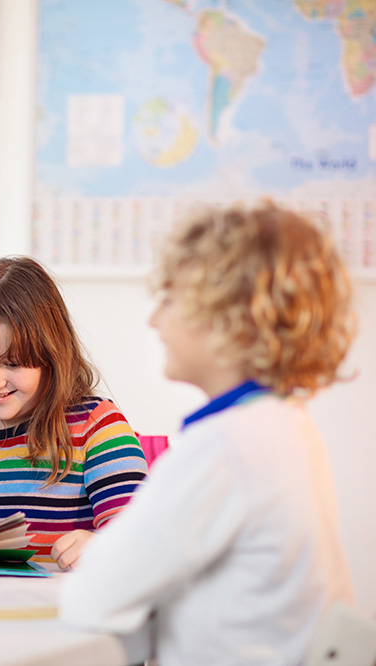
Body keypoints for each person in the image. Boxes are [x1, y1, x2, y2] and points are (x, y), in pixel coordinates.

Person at [59, 203, 357, 664]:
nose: (154, 320)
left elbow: (92, 598)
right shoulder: (287, 424)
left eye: (170, 301)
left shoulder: (226, 446)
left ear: (229, 319)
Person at [0, 256, 148, 571]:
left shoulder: (97, 428)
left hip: (62, 615)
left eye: (12, 363)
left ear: (51, 356)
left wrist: (103, 546)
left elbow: (143, 539)